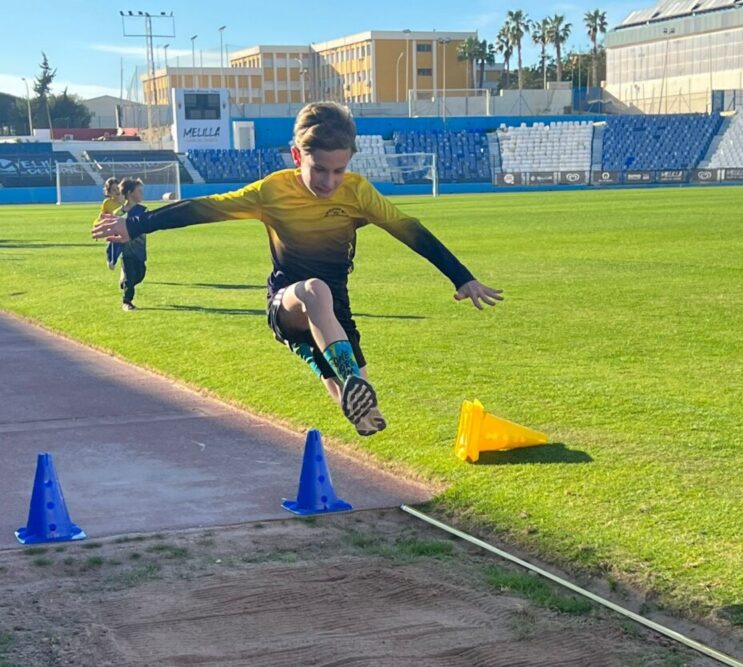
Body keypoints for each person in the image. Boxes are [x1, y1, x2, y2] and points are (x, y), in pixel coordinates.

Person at [93, 102, 502, 433]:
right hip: (287, 302)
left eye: (339, 170)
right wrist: (136, 223)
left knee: (358, 404)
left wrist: (461, 276)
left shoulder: (359, 193)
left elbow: (409, 230)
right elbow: (204, 208)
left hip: (334, 315)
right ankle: (332, 364)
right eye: (319, 169)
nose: (329, 181)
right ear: (296, 156)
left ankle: (341, 381)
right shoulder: (272, 191)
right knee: (314, 291)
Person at [117, 177, 148, 312]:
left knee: (140, 274)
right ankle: (127, 302)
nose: (142, 194)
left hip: (140, 250)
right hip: (127, 251)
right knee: (130, 278)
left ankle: (124, 283)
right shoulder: (120, 213)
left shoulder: (144, 210)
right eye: (139, 191)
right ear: (130, 193)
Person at [96, 177, 124, 270]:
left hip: (127, 228)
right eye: (113, 190)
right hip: (114, 229)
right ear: (109, 192)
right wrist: (98, 229)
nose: (117, 191)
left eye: (118, 188)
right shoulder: (107, 203)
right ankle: (111, 260)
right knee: (113, 244)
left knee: (128, 252)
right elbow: (102, 216)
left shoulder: (126, 199)